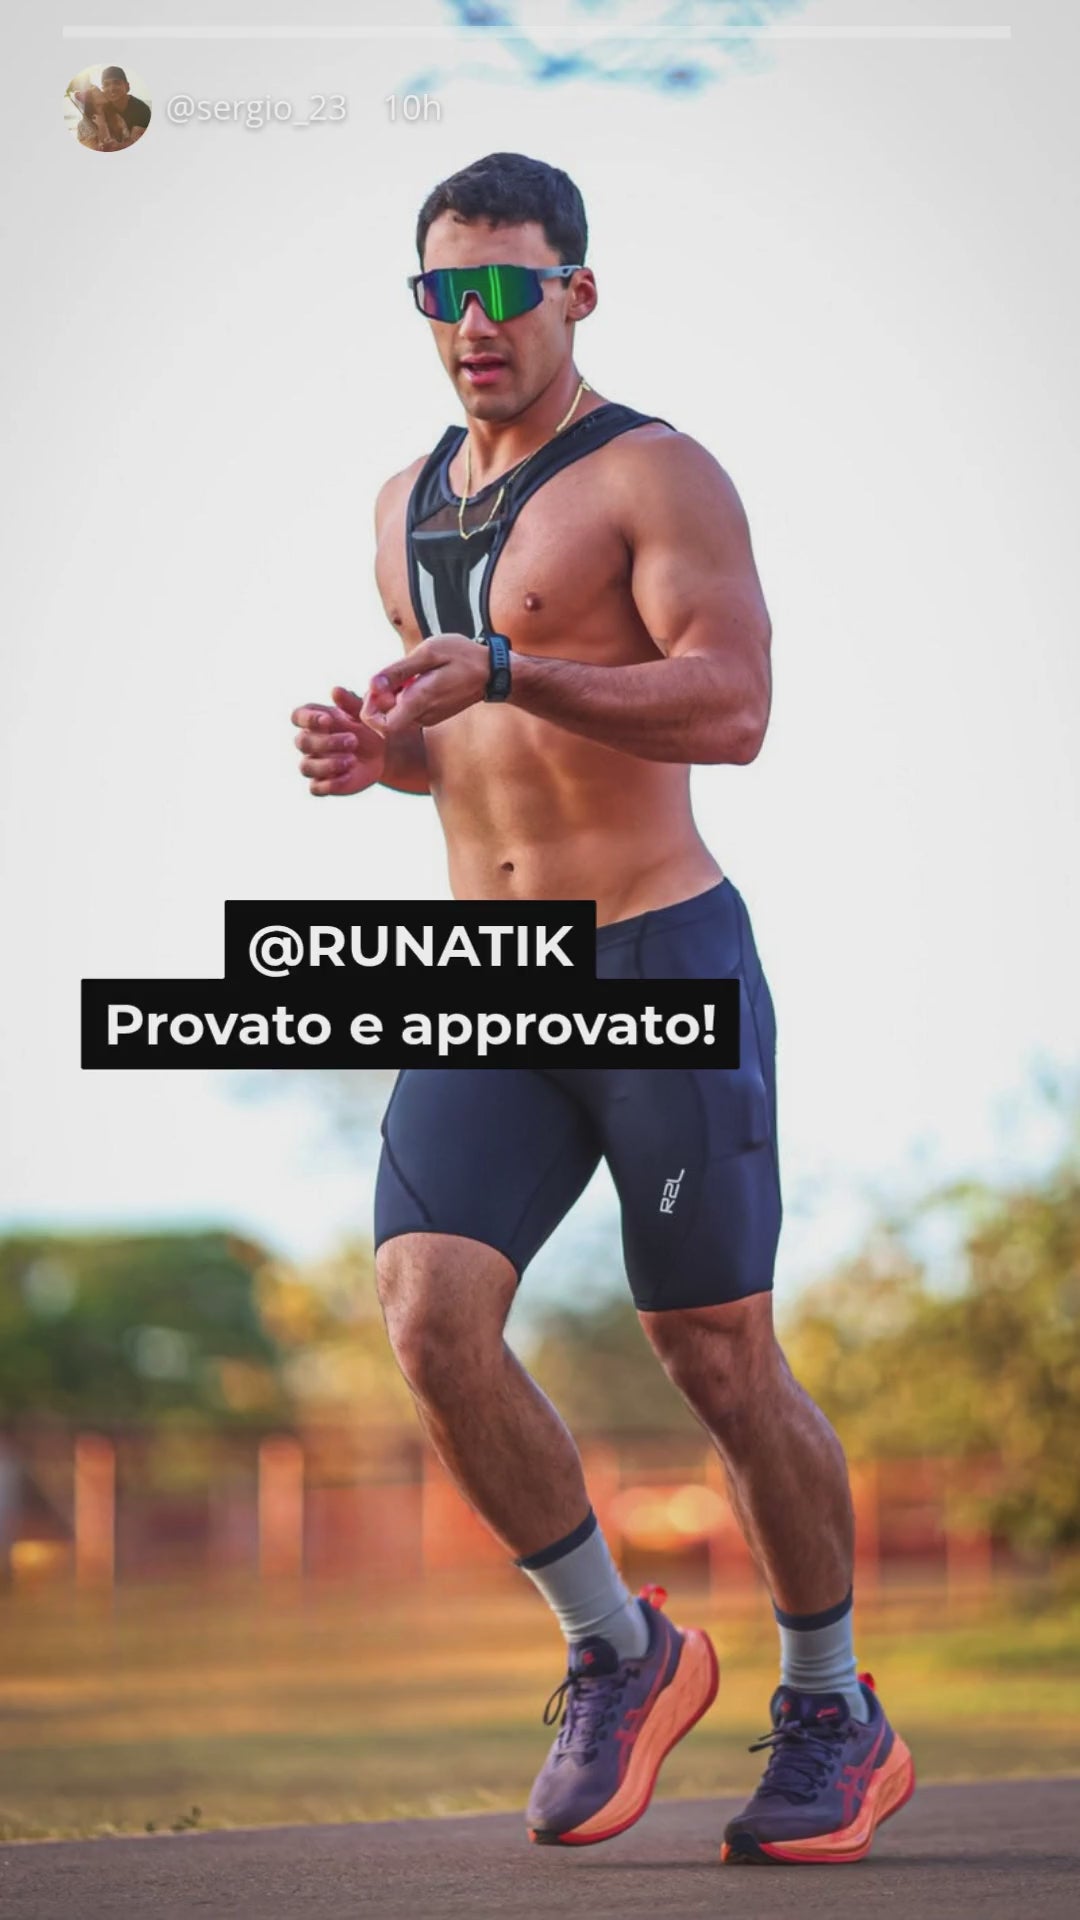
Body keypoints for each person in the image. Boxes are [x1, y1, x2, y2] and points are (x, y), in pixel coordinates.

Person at [291, 151, 915, 1865]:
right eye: (446, 292)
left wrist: (508, 664)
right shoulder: (400, 506)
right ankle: (618, 1646)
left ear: (576, 291)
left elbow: (733, 709)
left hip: (658, 954)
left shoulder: (656, 474)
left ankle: (833, 1707)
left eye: (510, 286)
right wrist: (382, 756)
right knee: (428, 1320)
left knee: (716, 1356)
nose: (476, 321)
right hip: (489, 977)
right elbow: (472, 753)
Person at [101, 67, 151, 143]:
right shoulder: (102, 108)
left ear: (127, 86)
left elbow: (135, 143)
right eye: (106, 85)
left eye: (117, 83)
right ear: (103, 89)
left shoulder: (141, 110)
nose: (111, 89)